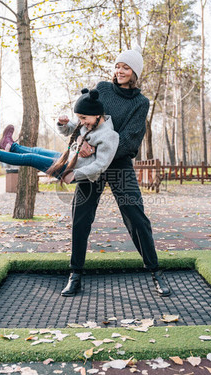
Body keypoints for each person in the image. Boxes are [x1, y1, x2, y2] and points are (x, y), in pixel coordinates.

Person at [60, 48, 172, 298]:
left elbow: (131, 140)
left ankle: (155, 272)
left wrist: (99, 150)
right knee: (81, 217)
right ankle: (75, 274)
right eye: (117, 66)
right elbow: (84, 117)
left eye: (126, 68)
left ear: (135, 73)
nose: (119, 71)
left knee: (136, 217)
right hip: (91, 162)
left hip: (118, 164)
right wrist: (82, 141)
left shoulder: (140, 103)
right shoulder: (102, 88)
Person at [0, 88, 119, 185]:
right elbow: (70, 130)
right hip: (67, 158)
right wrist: (63, 124)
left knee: (31, 159)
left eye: (84, 118)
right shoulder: (89, 123)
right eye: (79, 118)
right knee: (37, 151)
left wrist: (75, 174)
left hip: (71, 169)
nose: (81, 122)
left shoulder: (109, 136)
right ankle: (10, 145)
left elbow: (101, 165)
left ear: (97, 114)